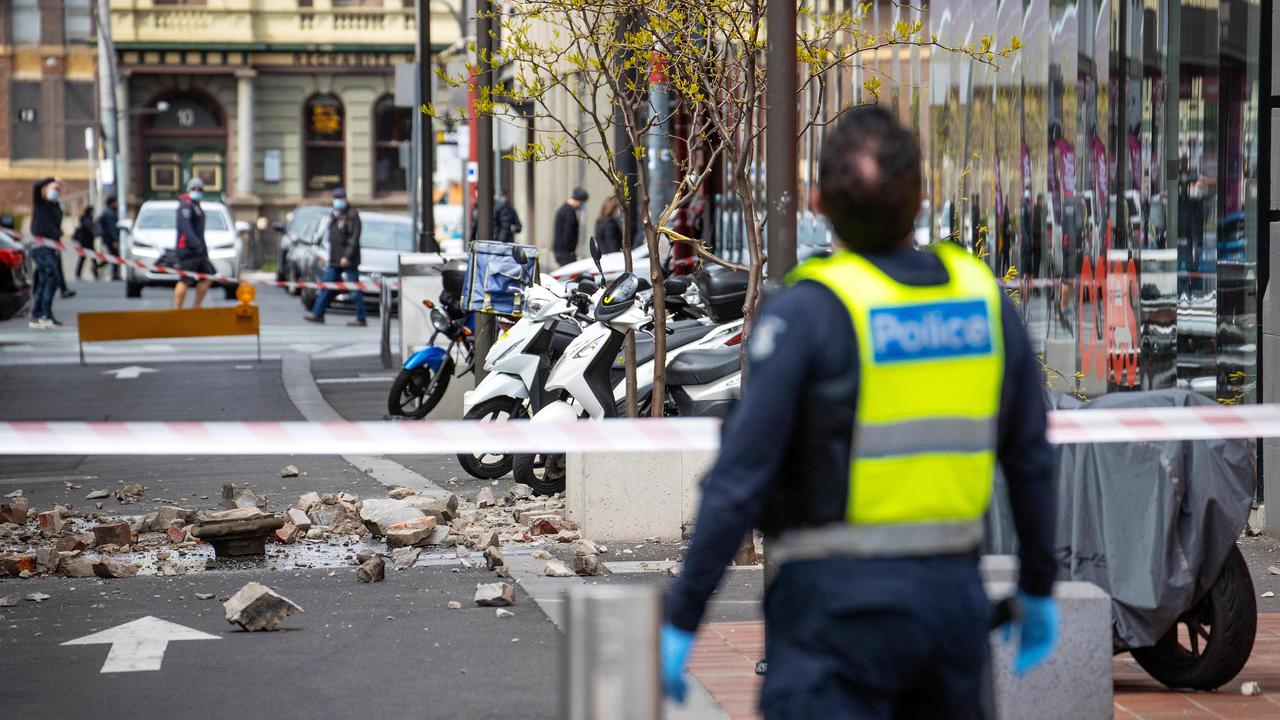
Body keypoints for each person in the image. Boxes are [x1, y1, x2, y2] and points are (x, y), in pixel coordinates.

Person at [661, 106, 1060, 718]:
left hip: (832, 618)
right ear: (922, 195)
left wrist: (684, 615)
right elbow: (1030, 458)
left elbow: (742, 475)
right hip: (949, 610)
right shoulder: (981, 300)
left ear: (818, 202)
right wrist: (1036, 586)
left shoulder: (811, 312)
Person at [304, 187, 367, 326]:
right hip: (334, 260)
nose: (338, 200)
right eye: (336, 198)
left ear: (345, 198)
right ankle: (318, 314)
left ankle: (361, 318)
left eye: (341, 197)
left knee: (354, 289)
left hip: (348, 260)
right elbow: (332, 238)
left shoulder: (352, 215)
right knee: (326, 287)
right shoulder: (334, 214)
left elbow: (353, 239)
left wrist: (347, 257)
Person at [28, 178, 65, 328]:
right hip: (40, 247)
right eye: (53, 189)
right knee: (52, 276)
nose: (55, 192)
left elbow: (56, 227)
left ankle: (39, 314)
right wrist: (52, 179)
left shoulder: (56, 208)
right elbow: (36, 185)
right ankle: (43, 314)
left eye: (58, 190)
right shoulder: (40, 204)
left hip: (50, 247)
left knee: (45, 280)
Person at [172, 177, 214, 309]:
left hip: (199, 251)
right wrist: (196, 245)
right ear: (189, 190)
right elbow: (186, 229)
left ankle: (196, 307)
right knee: (184, 280)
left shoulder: (197, 207)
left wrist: (204, 250)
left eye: (200, 189)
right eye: (194, 189)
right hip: (188, 250)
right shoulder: (185, 205)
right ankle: (176, 310)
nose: (197, 191)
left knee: (208, 277)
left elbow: (199, 232)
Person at [553, 187, 588, 266]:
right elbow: (567, 233)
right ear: (579, 200)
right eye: (583, 203)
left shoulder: (564, 209)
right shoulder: (569, 212)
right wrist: (570, 250)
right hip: (566, 254)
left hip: (561, 252)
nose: (583, 206)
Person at [96, 196, 121, 281]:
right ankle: (114, 274)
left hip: (107, 239)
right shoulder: (109, 213)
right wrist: (115, 240)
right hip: (110, 239)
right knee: (115, 256)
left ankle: (97, 267)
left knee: (111, 256)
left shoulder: (107, 212)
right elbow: (111, 228)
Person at [73, 205, 97, 280]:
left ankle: (79, 273)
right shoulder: (87, 219)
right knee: (89, 258)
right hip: (87, 241)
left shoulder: (85, 218)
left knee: (87, 258)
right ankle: (94, 273)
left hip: (86, 241)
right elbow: (89, 228)